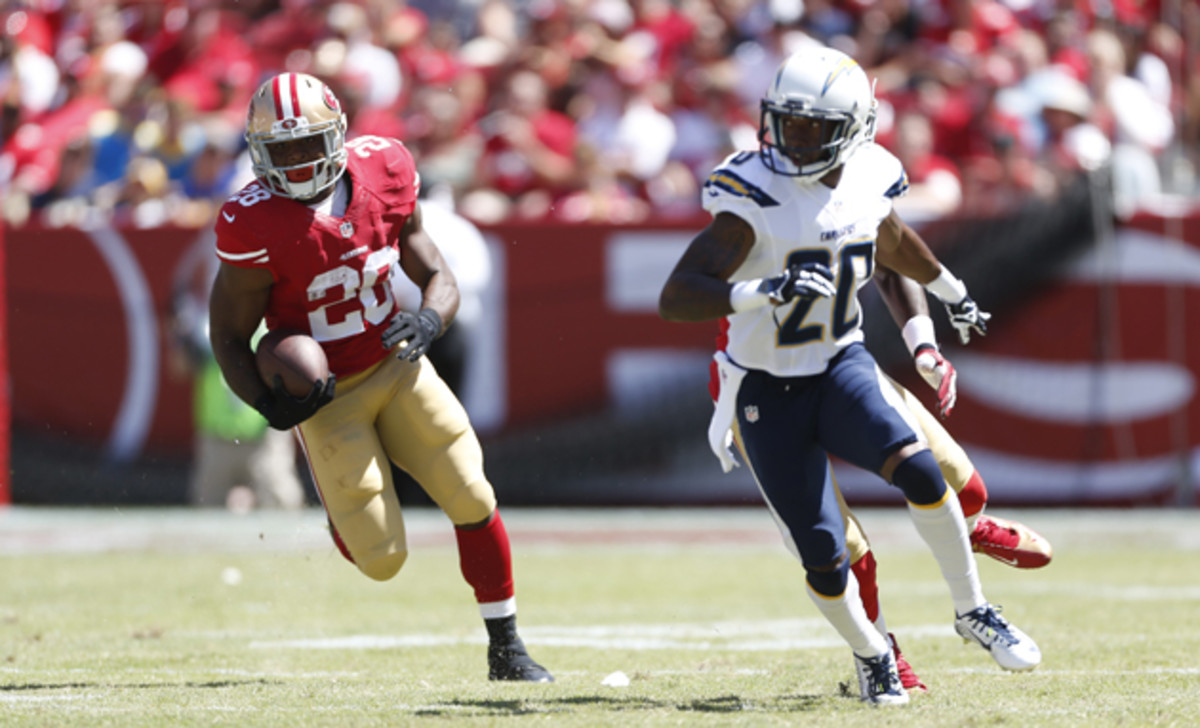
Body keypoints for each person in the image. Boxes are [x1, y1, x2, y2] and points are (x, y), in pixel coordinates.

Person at [659, 46, 1040, 705]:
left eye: (814, 129)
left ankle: (972, 609)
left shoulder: (870, 176)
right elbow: (678, 295)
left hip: (839, 363)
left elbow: (890, 246)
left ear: (856, 130)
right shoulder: (752, 192)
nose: (795, 142)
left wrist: (947, 296)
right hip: (764, 388)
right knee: (825, 553)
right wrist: (765, 288)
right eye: (788, 124)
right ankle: (873, 655)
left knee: (922, 471)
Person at [207, 72, 552, 682]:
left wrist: (428, 319)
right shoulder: (250, 221)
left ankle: (508, 648)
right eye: (280, 151)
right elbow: (230, 335)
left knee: (472, 493)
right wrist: (268, 403)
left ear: (337, 137)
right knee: (382, 559)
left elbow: (432, 266)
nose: (295, 162)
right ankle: (342, 514)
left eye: (306, 145)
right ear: (260, 153)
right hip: (329, 395)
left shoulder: (387, 168)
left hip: (396, 366)